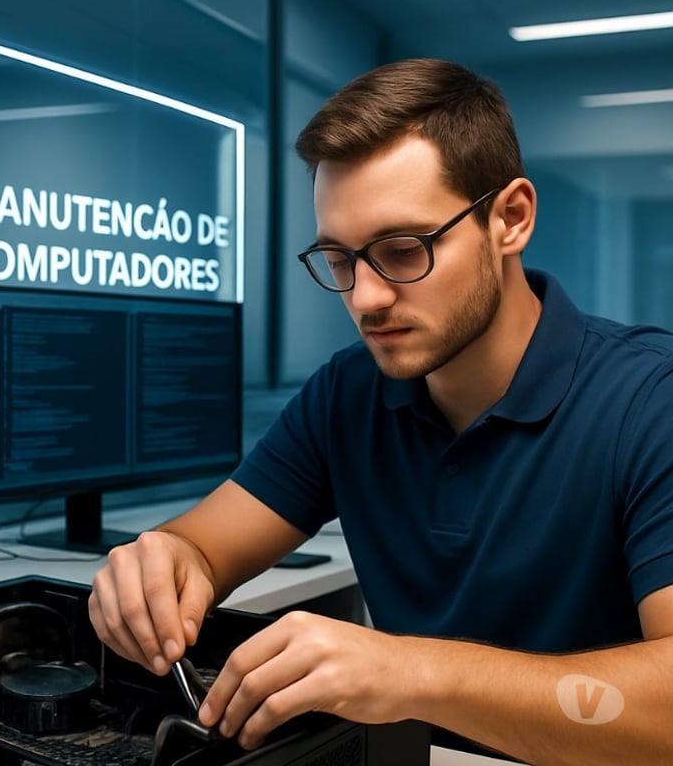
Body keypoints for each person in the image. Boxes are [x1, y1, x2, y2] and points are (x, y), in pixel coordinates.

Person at [88, 58, 673, 765]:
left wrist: (414, 672)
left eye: (403, 250)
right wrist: (160, 566)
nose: (365, 298)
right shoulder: (347, 393)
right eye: (339, 260)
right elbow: (203, 548)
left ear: (510, 219)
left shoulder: (650, 401)